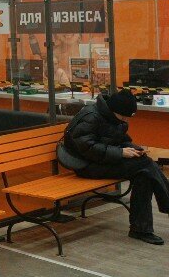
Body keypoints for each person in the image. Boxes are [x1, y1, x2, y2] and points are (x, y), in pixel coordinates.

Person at [60, 90, 169, 244]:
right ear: (114, 110)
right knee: (146, 165)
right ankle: (154, 216)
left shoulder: (114, 116)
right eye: (123, 116)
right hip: (85, 165)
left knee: (144, 172)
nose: (125, 120)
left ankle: (141, 230)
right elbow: (87, 148)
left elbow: (121, 140)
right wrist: (120, 152)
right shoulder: (90, 116)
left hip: (102, 161)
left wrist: (134, 149)